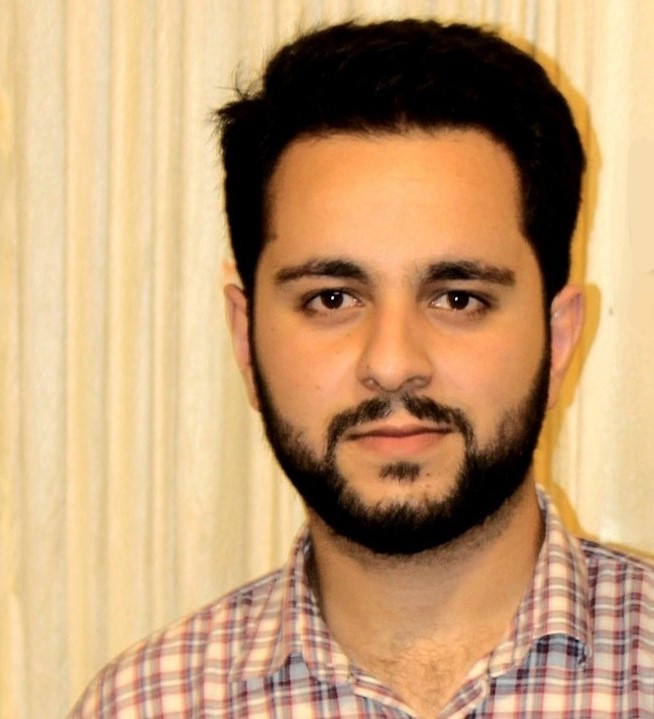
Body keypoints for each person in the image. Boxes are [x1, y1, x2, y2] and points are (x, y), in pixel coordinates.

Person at [68, 18, 654, 718]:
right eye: (332, 299)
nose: (392, 363)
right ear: (246, 339)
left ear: (558, 340)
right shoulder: (142, 705)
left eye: (458, 298)